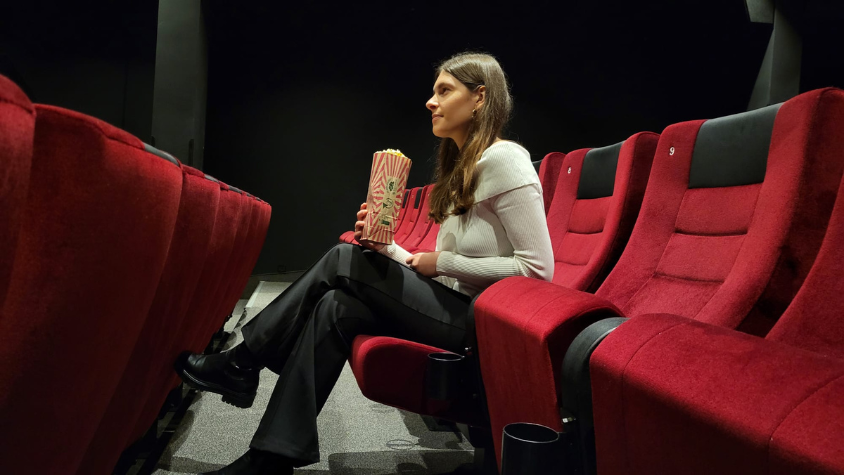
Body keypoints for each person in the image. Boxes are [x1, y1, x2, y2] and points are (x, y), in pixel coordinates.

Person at [175, 51, 554, 475]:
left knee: (342, 259)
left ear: (480, 97)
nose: (431, 101)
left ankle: (242, 362)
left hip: (482, 325)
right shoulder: (463, 169)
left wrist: (443, 261)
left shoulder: (505, 159)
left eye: (444, 91)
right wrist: (384, 246)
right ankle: (272, 457)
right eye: (433, 91)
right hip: (452, 308)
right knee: (335, 305)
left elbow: (537, 270)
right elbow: (425, 263)